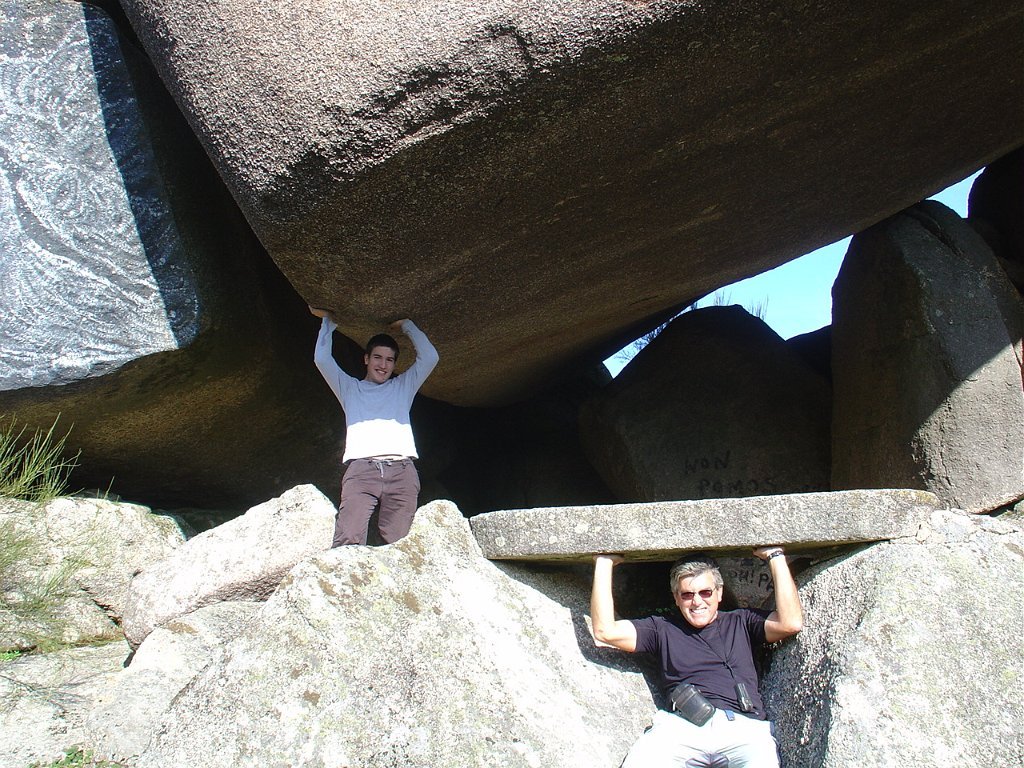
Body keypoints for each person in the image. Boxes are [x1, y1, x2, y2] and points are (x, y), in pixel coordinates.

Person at [591, 547, 803, 768]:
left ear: (719, 593)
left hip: (742, 728)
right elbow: (605, 631)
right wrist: (604, 563)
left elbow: (790, 623)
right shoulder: (661, 629)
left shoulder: (742, 621)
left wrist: (775, 557)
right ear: (676, 598)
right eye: (687, 595)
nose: (697, 602)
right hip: (680, 728)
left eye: (705, 592)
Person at [309, 306, 439, 547]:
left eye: (389, 360)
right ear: (366, 359)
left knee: (400, 544)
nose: (383, 365)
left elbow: (430, 357)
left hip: (402, 472)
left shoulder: (403, 387)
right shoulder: (350, 388)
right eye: (377, 357)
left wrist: (407, 326)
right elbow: (322, 359)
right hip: (362, 470)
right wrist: (328, 323)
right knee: (348, 537)